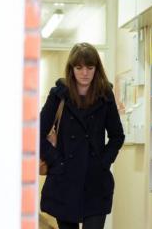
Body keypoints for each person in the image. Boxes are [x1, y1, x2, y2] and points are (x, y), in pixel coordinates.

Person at [40, 42, 125, 229]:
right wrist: (56, 162)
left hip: (95, 181)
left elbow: (117, 135)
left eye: (90, 67)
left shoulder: (105, 96)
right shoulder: (58, 96)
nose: (84, 73)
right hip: (65, 181)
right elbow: (37, 133)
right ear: (71, 69)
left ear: (96, 69)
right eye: (79, 67)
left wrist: (104, 163)